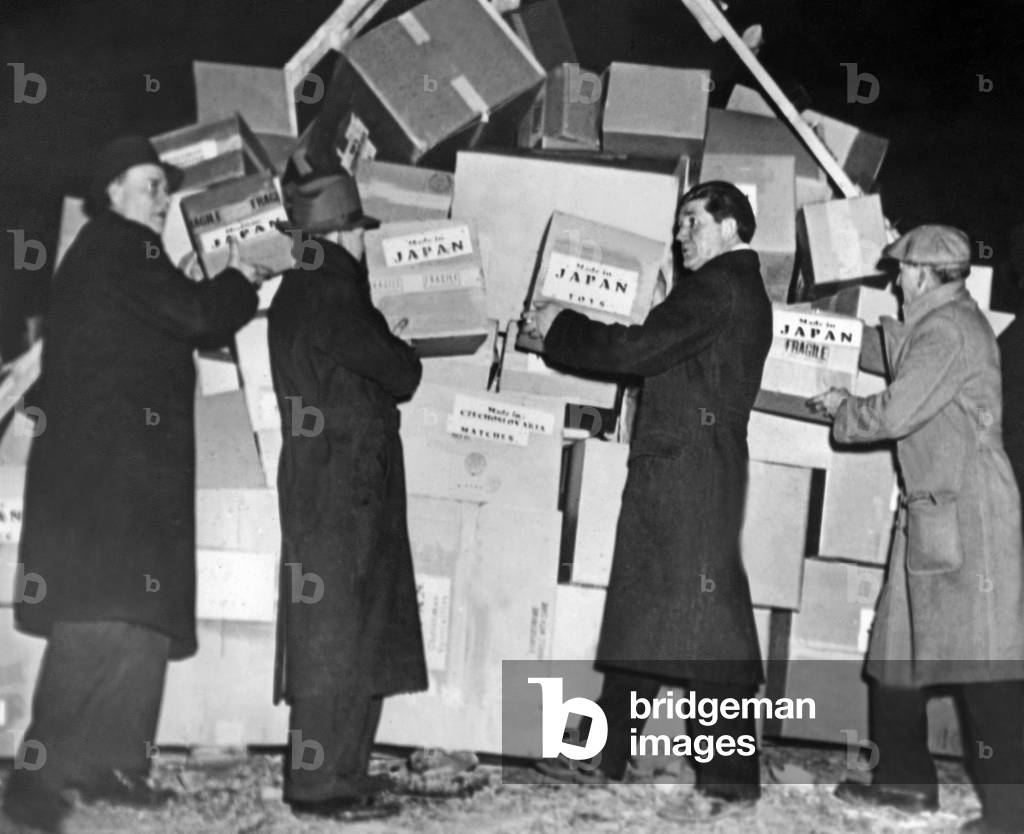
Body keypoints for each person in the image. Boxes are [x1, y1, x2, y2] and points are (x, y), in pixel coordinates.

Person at [2, 135, 265, 834]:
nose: (162, 200)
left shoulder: (111, 254)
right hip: (109, 483)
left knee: (138, 624)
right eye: (150, 185)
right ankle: (40, 778)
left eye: (164, 187)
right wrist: (239, 275)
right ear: (112, 191)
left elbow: (161, 313)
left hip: (125, 477)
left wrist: (184, 280)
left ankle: (118, 766)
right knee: (98, 619)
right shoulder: (118, 242)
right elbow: (200, 316)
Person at [525, 181, 773, 820]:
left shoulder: (720, 286)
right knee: (658, 613)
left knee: (694, 618)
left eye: (692, 221)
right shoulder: (730, 290)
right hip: (692, 466)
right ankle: (602, 753)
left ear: (728, 225)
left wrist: (562, 327)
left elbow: (638, 349)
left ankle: (725, 773)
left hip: (688, 471)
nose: (680, 234)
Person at [809, 225, 1024, 834]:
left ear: (925, 275)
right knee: (894, 656)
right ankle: (903, 784)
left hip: (971, 520)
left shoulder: (949, 330)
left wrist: (844, 410)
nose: (894, 280)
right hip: (933, 515)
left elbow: (901, 408)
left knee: (986, 673)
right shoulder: (941, 324)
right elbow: (905, 362)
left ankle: (1014, 816)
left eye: (901, 271)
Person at [267, 172, 428, 822]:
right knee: (336, 636)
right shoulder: (332, 292)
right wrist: (401, 344)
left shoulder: (302, 290)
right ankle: (318, 785)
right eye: (360, 233)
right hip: (346, 486)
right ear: (344, 235)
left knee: (349, 633)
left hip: (332, 481)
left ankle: (344, 772)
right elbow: (400, 372)